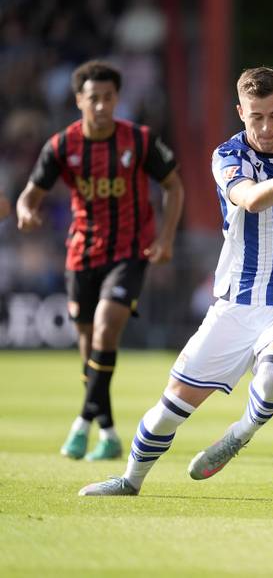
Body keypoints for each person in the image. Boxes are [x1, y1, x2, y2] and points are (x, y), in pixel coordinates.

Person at [78, 66, 273, 496]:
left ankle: (239, 434)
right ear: (240, 112)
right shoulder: (228, 156)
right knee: (170, 408)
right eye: (256, 116)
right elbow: (251, 199)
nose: (266, 127)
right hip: (237, 303)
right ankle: (129, 481)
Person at [16, 60, 184, 461]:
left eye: (109, 98)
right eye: (94, 98)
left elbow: (174, 186)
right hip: (81, 255)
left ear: (117, 98)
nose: (102, 106)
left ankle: (81, 423)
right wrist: (26, 212)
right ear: (79, 100)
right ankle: (107, 431)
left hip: (129, 252)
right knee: (88, 346)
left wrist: (164, 238)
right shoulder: (62, 146)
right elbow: (29, 195)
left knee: (106, 329)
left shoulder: (139, 140)